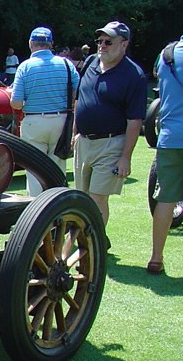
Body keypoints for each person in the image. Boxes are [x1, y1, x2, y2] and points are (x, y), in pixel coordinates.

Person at [73, 21, 146, 227]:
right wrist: (75, 133)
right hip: (84, 142)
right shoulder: (90, 62)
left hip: (111, 144)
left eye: (108, 42)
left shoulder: (134, 75)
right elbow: (80, 99)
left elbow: (135, 120)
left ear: (124, 45)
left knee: (97, 198)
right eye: (100, 41)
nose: (102, 45)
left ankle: (94, 246)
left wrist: (125, 157)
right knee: (80, 198)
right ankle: (87, 243)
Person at [9, 27, 79, 196]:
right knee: (58, 166)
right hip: (62, 120)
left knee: (34, 169)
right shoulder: (66, 64)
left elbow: (16, 103)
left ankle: (36, 210)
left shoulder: (25, 67)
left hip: (34, 122)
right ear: (51, 44)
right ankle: (57, 205)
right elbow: (77, 95)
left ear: (31, 44)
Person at [149, 34, 183, 275]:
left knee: (165, 198)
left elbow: (157, 78)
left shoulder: (167, 54)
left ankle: (156, 258)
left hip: (170, 135)